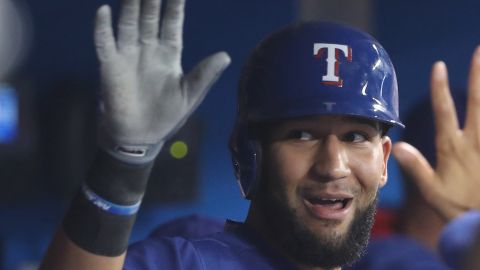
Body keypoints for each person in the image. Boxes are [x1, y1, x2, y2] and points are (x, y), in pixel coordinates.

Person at [39, 0, 480, 269]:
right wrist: (123, 162)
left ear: (384, 160)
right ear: (249, 156)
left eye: (355, 136)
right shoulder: (190, 260)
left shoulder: (390, 261)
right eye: (302, 133)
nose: (332, 165)